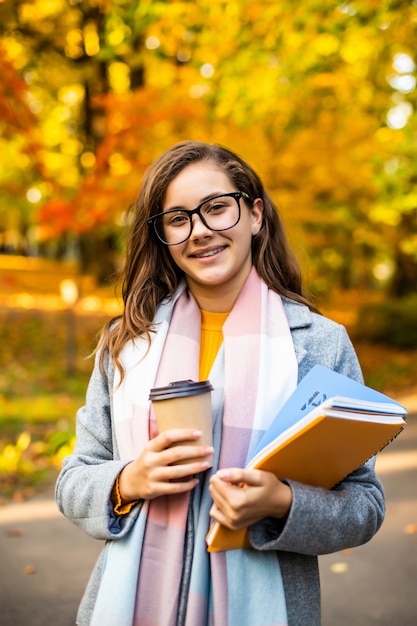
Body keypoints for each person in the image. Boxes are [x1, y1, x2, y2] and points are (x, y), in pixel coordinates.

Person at [56, 140, 385, 626]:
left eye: (216, 208)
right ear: (163, 235)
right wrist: (128, 481)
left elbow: (365, 503)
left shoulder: (319, 345)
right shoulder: (127, 341)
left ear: (254, 215)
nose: (201, 231)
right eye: (179, 218)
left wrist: (281, 502)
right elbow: (73, 480)